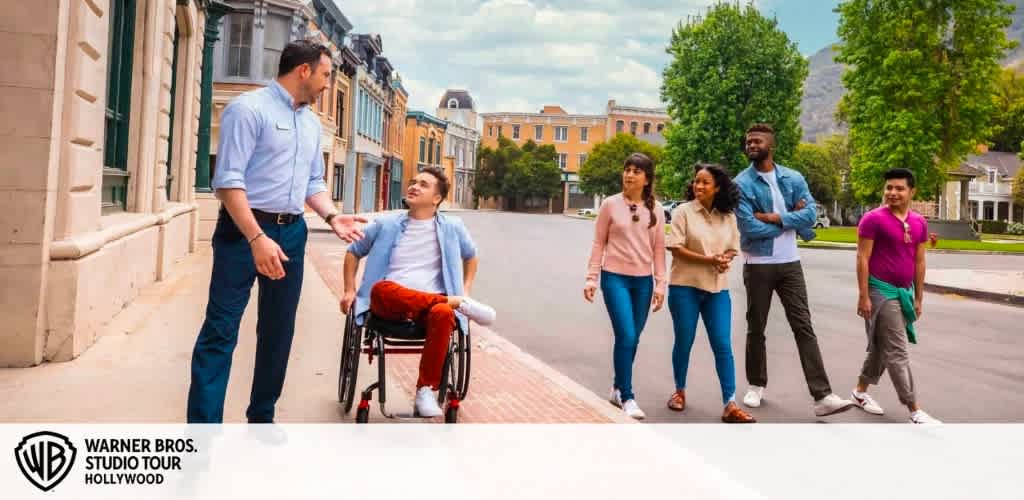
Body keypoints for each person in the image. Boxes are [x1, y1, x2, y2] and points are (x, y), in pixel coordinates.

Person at [187, 41, 368, 424]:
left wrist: (333, 216)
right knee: (220, 332)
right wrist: (256, 238)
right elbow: (228, 182)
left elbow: (313, 182)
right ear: (303, 70)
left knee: (279, 331)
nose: (326, 85)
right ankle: (203, 435)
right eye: (324, 75)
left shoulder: (311, 123)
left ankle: (262, 418)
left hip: (292, 235)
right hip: (244, 233)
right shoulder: (248, 110)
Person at [340, 166, 496, 418]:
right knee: (381, 288)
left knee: (444, 313)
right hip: (390, 305)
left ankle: (425, 390)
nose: (414, 186)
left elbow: (471, 257)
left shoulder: (453, 227)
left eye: (423, 184)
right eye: (413, 182)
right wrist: (349, 290)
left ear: (437, 198)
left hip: (430, 312)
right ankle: (458, 303)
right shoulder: (386, 224)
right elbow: (353, 252)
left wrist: (465, 288)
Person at [734, 123, 854, 417]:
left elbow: (811, 214)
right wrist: (791, 220)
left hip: (790, 264)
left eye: (757, 141)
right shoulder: (740, 184)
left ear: (770, 145)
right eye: (748, 141)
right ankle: (756, 385)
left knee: (803, 326)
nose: (751, 145)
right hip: (758, 264)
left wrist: (775, 217)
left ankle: (822, 395)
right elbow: (748, 225)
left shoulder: (793, 177)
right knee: (756, 327)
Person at [665, 163, 755, 423]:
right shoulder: (683, 211)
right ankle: (679, 391)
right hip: (685, 287)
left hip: (717, 289)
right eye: (696, 181)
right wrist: (710, 260)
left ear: (717, 187)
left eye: (705, 182)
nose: (699, 186)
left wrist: (724, 259)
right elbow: (676, 247)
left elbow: (731, 249)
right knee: (684, 340)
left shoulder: (728, 216)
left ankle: (730, 404)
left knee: (722, 344)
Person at [851, 168, 940, 424]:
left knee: (881, 347)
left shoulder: (919, 222)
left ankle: (859, 392)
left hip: (904, 292)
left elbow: (919, 262)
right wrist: (863, 295)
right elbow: (862, 258)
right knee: (897, 350)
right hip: (881, 291)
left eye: (899, 188)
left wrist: (919, 297)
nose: (892, 193)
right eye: (889, 188)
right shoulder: (873, 219)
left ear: (912, 191)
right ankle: (914, 409)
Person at [584, 152, 667, 420]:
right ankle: (628, 397)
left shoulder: (656, 209)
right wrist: (591, 277)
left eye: (636, 171)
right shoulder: (609, 205)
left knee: (632, 338)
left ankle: (617, 387)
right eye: (627, 169)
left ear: (646, 179)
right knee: (627, 336)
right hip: (614, 277)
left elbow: (659, 249)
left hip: (643, 282)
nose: (629, 174)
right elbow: (599, 243)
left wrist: (660, 284)